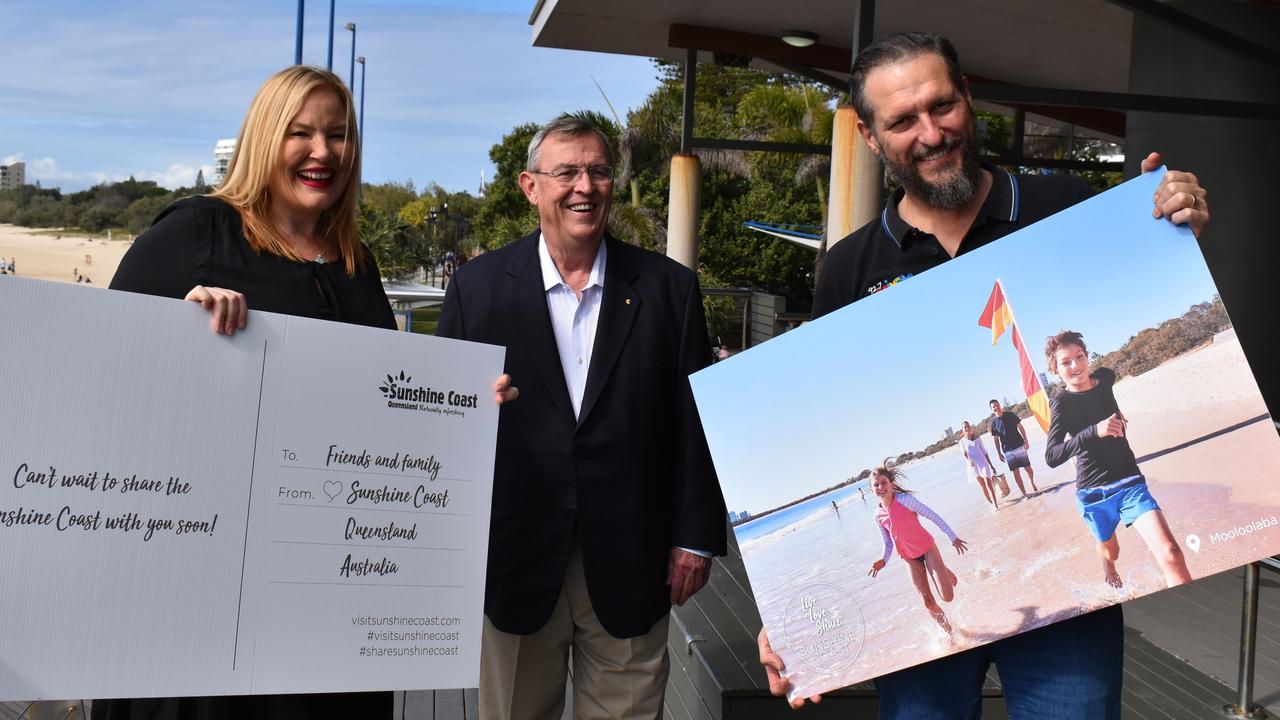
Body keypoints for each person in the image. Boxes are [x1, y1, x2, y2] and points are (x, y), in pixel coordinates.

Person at [760, 31, 1209, 718]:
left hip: (1074, 606)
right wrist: (782, 613)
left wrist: (1171, 220)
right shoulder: (848, 268)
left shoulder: (1066, 202)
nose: (931, 133)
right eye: (903, 121)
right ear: (872, 138)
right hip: (928, 645)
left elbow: (1139, 277)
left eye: (941, 106)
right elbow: (822, 415)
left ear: (969, 100)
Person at [96, 65, 514, 720]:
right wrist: (175, 330)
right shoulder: (199, 234)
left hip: (330, 607)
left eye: (339, 135)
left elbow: (376, 415)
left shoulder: (355, 263)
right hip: (207, 602)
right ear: (266, 138)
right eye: (302, 133)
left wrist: (461, 411)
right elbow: (105, 375)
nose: (324, 152)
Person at [436, 117, 727, 720]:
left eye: (597, 171)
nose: (584, 187)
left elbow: (695, 423)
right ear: (530, 186)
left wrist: (695, 537)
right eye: (566, 172)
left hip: (633, 558)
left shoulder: (670, 290)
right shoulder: (476, 291)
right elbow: (441, 426)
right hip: (514, 557)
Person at [1044, 330, 1191, 589]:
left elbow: (1104, 402)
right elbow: (1052, 455)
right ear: (1055, 370)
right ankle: (1108, 563)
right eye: (1065, 362)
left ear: (1087, 356)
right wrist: (1094, 431)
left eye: (1079, 357)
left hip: (1131, 483)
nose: (1075, 366)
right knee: (1113, 552)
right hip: (1094, 495)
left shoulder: (1107, 378)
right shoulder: (1061, 402)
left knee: (1172, 553)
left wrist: (1117, 415)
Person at [868, 465, 967, 633]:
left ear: (891, 483)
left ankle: (941, 568)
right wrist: (883, 560)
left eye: (883, 482)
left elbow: (932, 516)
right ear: (871, 490)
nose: (880, 487)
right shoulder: (877, 515)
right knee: (927, 602)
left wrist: (953, 537)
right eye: (876, 485)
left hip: (927, 549)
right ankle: (950, 633)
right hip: (909, 558)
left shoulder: (905, 500)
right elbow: (888, 543)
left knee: (948, 597)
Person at [989, 399, 1038, 496]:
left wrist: (1026, 440)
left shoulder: (1010, 415)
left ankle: (1031, 482)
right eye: (993, 407)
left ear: (999, 405)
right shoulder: (994, 423)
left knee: (1028, 468)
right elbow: (996, 439)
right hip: (1008, 451)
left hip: (1019, 445)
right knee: (1016, 473)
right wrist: (999, 453)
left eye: (997, 405)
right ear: (992, 409)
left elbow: (1020, 427)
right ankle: (1024, 493)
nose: (996, 408)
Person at [958, 420, 1000, 509]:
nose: (967, 428)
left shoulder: (977, 438)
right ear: (962, 430)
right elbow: (964, 453)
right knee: (983, 486)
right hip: (974, 466)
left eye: (968, 426)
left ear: (970, 427)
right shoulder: (962, 442)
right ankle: (991, 503)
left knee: (988, 483)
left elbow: (985, 452)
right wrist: (969, 460)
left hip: (983, 463)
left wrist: (991, 465)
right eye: (965, 427)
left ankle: (996, 505)